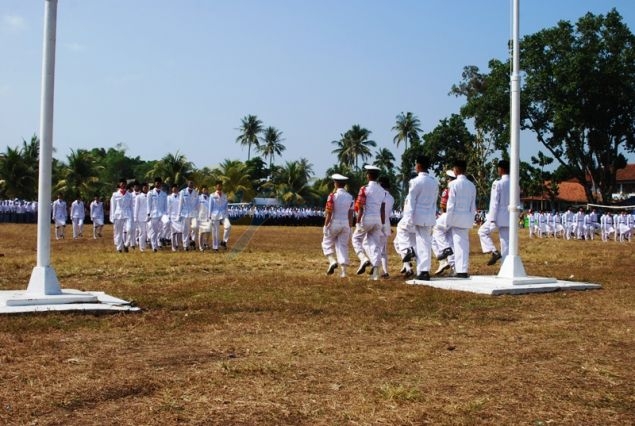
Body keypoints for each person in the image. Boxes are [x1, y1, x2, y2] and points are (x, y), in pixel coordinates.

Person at [407, 155, 439, 281]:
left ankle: (423, 270)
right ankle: (423, 269)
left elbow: (411, 202)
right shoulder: (433, 182)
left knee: (421, 242)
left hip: (418, 215)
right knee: (425, 242)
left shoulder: (415, 182)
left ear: (419, 166)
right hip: (429, 214)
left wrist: (409, 218)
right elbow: (434, 201)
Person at [352, 165, 386, 280]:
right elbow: (382, 209)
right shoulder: (382, 190)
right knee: (375, 245)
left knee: (356, 239)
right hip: (378, 219)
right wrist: (381, 224)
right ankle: (375, 273)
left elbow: (360, 207)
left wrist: (357, 222)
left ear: (369, 175)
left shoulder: (364, 189)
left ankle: (363, 258)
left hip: (367, 218)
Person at [444, 159, 476, 278]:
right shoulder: (472, 185)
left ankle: (459, 269)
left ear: (456, 170)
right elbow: (473, 205)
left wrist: (448, 219)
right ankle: (462, 269)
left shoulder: (453, 184)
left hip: (456, 216)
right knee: (463, 244)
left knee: (456, 243)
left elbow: (450, 204)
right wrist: (471, 219)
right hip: (467, 217)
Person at [478, 159, 512, 266]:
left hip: (498, 216)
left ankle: (494, 251)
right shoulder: (515, 183)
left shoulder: (498, 183)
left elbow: (494, 203)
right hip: (510, 215)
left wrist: (492, 220)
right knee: (505, 241)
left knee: (482, 232)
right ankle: (505, 266)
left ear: (501, 169)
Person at [321, 173, 354, 277]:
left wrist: (325, 226)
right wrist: (350, 226)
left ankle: (332, 261)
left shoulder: (332, 196)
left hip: (334, 222)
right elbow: (351, 213)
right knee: (342, 246)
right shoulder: (350, 197)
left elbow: (329, 213)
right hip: (345, 224)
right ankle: (343, 272)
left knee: (326, 243)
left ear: (336, 183)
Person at [432, 170, 457, 276]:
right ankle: (453, 267)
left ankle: (443, 257)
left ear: (449, 179)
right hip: (457, 216)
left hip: (447, 215)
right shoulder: (459, 188)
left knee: (434, 233)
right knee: (451, 241)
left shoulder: (447, 190)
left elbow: (443, 205)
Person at [377, 176, 395, 278]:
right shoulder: (391, 198)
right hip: (386, 223)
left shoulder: (380, 196)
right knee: (383, 250)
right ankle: (385, 271)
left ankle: (376, 269)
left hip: (379, 223)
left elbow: (380, 211)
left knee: (374, 247)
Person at [110, 179, 133, 252]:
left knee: (129, 229)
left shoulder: (129, 195)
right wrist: (112, 216)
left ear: (126, 185)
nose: (123, 185)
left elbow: (131, 206)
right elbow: (113, 206)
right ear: (119, 185)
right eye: (121, 184)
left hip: (127, 213)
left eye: (124, 184)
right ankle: (119, 248)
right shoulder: (115, 194)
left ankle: (127, 243)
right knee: (118, 232)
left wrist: (132, 216)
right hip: (118, 214)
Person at [147, 177, 168, 252]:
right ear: (154, 183)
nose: (157, 184)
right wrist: (148, 214)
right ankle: (154, 247)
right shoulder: (150, 193)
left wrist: (166, 213)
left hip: (162, 213)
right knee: (154, 231)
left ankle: (162, 238)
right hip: (154, 214)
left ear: (161, 184)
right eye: (156, 182)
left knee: (167, 223)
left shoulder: (164, 194)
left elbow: (166, 205)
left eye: (159, 182)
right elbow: (148, 204)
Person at [178, 180, 199, 251]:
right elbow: (180, 204)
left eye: (192, 183)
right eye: (190, 183)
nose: (191, 184)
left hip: (193, 213)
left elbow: (197, 204)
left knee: (195, 226)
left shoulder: (196, 193)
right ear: (187, 184)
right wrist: (179, 214)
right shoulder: (182, 192)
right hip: (185, 213)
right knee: (185, 230)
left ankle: (193, 240)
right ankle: (185, 245)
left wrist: (198, 213)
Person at [209, 181, 230, 251]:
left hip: (223, 214)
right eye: (218, 186)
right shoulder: (212, 195)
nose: (219, 187)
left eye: (220, 185)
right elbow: (210, 206)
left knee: (228, 226)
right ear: (215, 187)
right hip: (214, 214)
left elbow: (226, 206)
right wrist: (209, 216)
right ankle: (215, 247)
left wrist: (227, 214)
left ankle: (224, 241)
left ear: (222, 186)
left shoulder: (225, 195)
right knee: (215, 231)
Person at [133, 183, 149, 251]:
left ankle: (149, 244)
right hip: (141, 217)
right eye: (144, 188)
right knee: (142, 232)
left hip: (149, 216)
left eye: (146, 188)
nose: (145, 189)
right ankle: (142, 247)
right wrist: (135, 217)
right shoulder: (138, 197)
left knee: (148, 232)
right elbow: (136, 208)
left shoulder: (150, 196)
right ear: (142, 188)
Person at [167, 184, 182, 251]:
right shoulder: (169, 197)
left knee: (179, 231)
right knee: (173, 232)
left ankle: (178, 245)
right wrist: (168, 216)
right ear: (172, 189)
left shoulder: (181, 197)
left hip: (179, 216)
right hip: (172, 216)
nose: (175, 189)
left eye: (176, 188)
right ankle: (173, 246)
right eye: (173, 188)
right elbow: (168, 208)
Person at [197, 185, 212, 251]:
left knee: (208, 230)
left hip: (208, 217)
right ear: (201, 190)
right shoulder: (198, 198)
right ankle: (200, 246)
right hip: (201, 217)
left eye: (206, 189)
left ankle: (206, 243)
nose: (205, 190)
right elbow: (196, 207)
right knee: (201, 232)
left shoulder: (210, 198)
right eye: (204, 189)